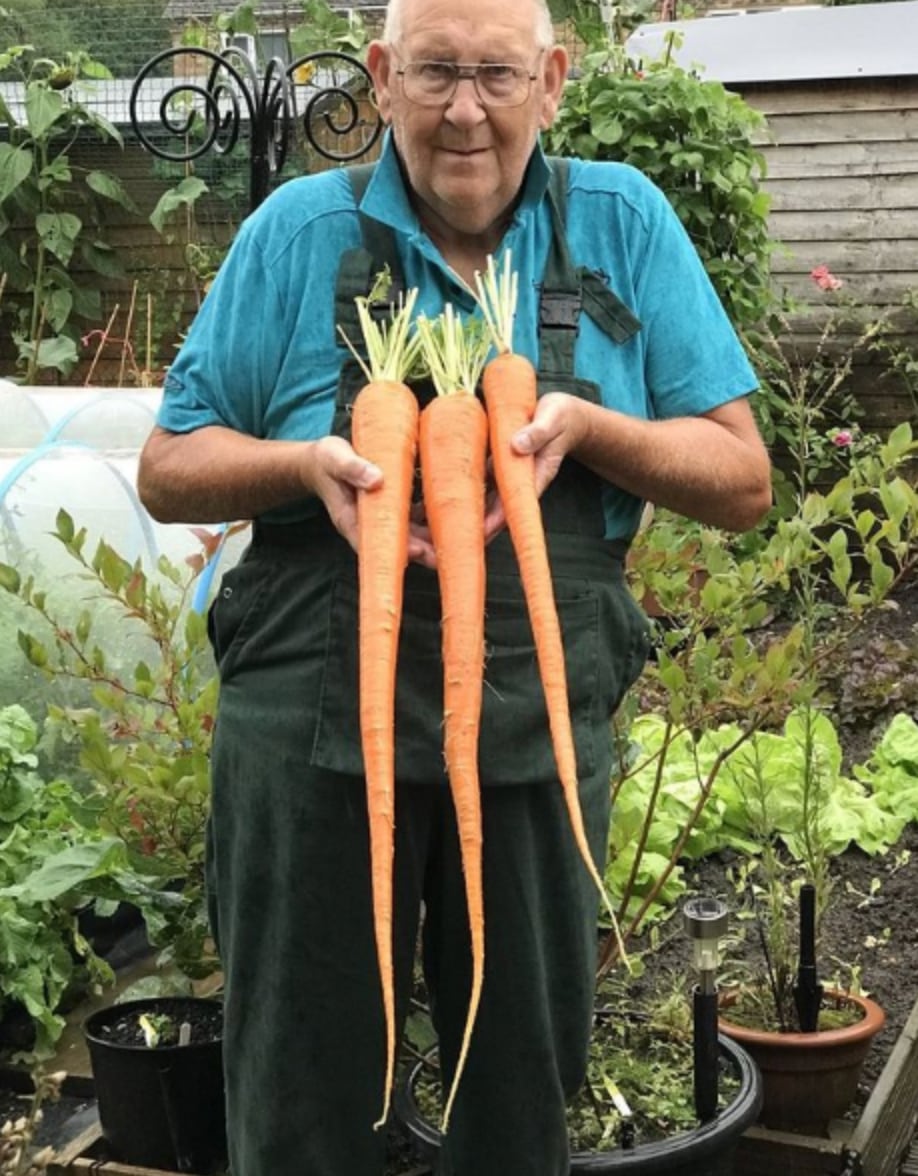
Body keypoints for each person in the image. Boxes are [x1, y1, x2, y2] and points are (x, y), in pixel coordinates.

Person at [137, 0, 772, 1171]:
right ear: (380, 76)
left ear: (553, 80)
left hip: (533, 719)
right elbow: (169, 468)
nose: (467, 109)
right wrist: (302, 466)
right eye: (436, 72)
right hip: (307, 716)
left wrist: (586, 427)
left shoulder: (620, 223)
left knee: (522, 1079)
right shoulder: (294, 233)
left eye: (497, 73)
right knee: (298, 1076)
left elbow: (741, 480)